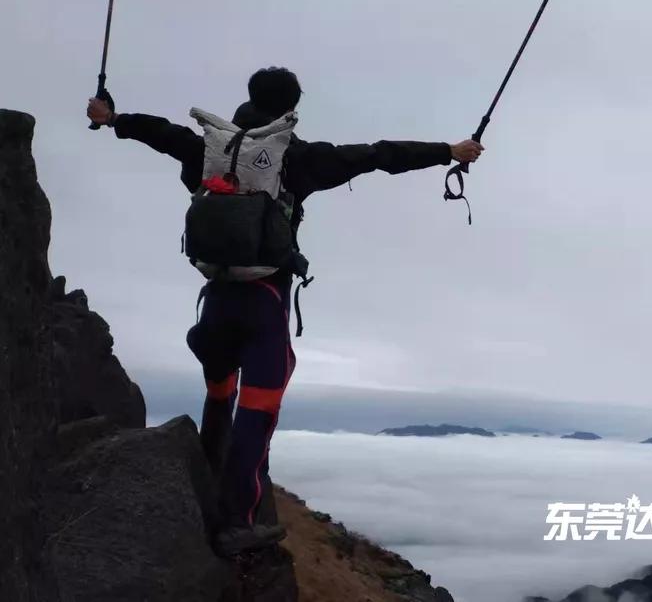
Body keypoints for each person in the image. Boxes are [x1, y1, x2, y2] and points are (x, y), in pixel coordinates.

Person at [86, 66, 484, 555]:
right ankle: (238, 521)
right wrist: (449, 151)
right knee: (259, 408)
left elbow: (161, 133)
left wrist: (112, 118)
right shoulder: (297, 160)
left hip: (216, 300)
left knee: (220, 392)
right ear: (292, 108)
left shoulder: (210, 149)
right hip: (264, 303)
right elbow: (378, 155)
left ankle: (208, 473)